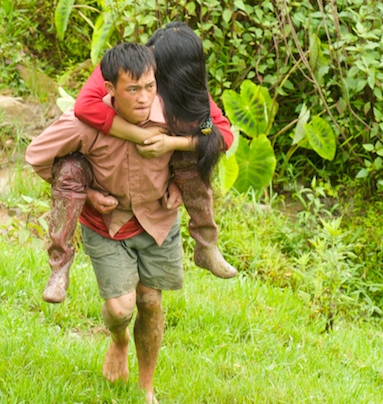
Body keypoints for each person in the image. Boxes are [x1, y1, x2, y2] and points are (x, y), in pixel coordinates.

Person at [26, 42, 194, 403]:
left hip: (158, 220)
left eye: (149, 87)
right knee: (121, 309)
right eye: (132, 89)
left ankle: (146, 387)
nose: (144, 97)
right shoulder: (84, 124)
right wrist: (87, 194)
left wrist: (181, 181)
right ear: (110, 88)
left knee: (150, 301)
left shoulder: (173, 113)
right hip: (107, 224)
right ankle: (118, 340)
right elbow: (37, 157)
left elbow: (212, 143)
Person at [40, 21, 237, 304]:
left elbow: (222, 135)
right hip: (107, 179)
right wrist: (140, 135)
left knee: (195, 153)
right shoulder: (128, 67)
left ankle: (206, 244)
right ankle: (59, 267)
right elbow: (85, 106)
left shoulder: (188, 88)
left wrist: (173, 145)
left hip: (159, 186)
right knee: (71, 169)